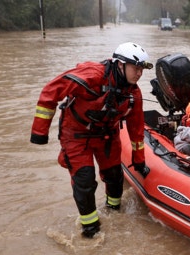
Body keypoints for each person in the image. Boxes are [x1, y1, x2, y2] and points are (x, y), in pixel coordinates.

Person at [30, 42, 152, 238]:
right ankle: (91, 229)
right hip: (76, 134)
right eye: (135, 68)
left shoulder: (133, 94)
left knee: (114, 176)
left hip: (107, 135)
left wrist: (139, 161)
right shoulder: (92, 76)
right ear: (120, 65)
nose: (139, 74)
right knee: (84, 179)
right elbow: (51, 91)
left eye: (141, 70)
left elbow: (136, 130)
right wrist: (39, 132)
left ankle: (114, 212)